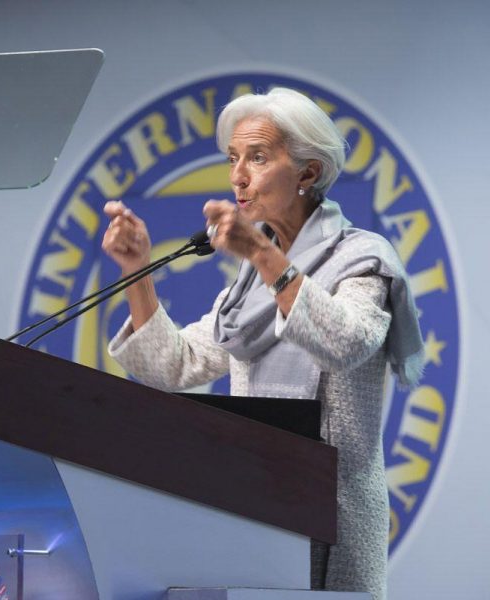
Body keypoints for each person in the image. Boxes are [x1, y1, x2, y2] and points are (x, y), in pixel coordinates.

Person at [101, 87, 424, 600]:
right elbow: (174, 364)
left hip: (336, 515)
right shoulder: (249, 284)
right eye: (232, 159)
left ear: (307, 173)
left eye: (257, 157)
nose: (237, 176)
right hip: (258, 508)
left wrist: (258, 251)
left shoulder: (363, 257)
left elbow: (344, 341)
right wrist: (137, 272)